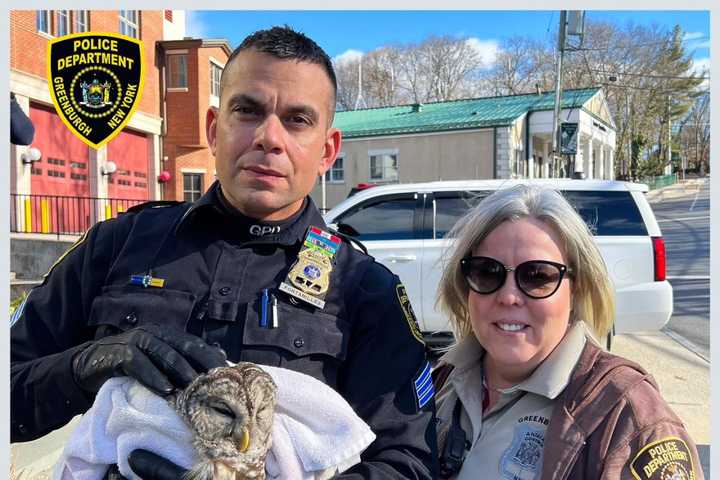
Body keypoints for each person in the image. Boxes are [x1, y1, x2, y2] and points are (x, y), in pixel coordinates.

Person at [11, 26, 438, 479]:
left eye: (297, 120)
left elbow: (409, 462)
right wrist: (83, 367)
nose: (269, 137)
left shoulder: (365, 288)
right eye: (247, 110)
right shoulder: (117, 245)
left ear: (327, 149)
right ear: (215, 129)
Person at [432, 184, 702, 480]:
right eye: (487, 272)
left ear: (577, 289)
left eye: (537, 276)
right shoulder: (441, 383)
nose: (508, 296)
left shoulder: (627, 418)